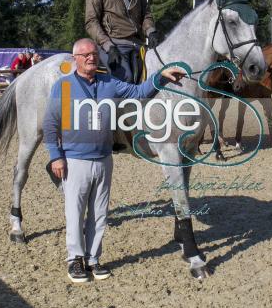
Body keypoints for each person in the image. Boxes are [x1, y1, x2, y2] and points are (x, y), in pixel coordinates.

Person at [43, 38, 184, 283]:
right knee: (75, 212)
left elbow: (140, 92)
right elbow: (50, 123)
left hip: (104, 159)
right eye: (85, 54)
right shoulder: (62, 86)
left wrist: (161, 76)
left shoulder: (109, 83)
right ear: (75, 58)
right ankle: (75, 260)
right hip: (75, 160)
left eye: (94, 54)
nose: (91, 57)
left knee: (99, 213)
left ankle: (94, 259)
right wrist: (56, 157)